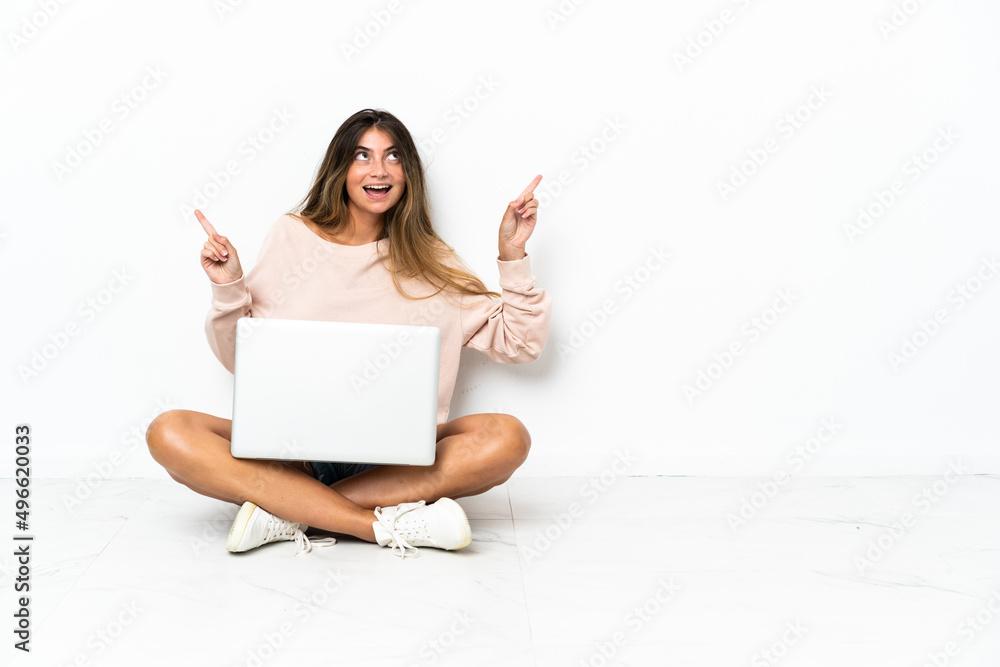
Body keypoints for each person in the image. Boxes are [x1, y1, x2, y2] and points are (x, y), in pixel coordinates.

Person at [145, 108, 552, 558]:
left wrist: (512, 254)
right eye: (363, 156)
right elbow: (240, 359)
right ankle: (373, 525)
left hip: (401, 459)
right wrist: (229, 288)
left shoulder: (431, 260)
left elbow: (521, 343)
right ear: (340, 169)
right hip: (293, 452)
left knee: (508, 436)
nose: (379, 170)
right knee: (170, 430)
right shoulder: (291, 237)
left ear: (408, 173)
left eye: (393, 157)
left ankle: (289, 511)